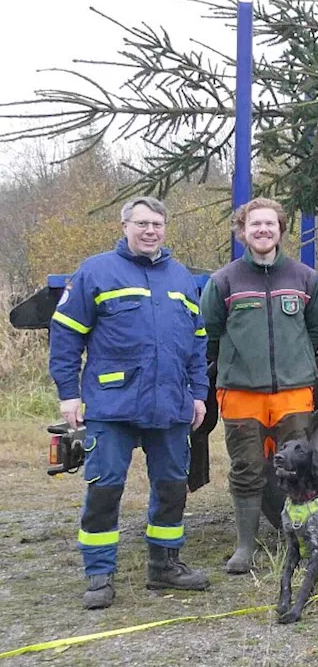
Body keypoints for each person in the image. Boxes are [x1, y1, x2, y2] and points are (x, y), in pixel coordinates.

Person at [49, 196, 212, 609]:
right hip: (112, 404)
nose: (150, 231)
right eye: (141, 223)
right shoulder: (95, 272)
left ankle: (164, 565)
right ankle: (100, 574)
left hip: (171, 404)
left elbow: (197, 344)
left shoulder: (181, 277)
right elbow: (65, 335)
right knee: (105, 488)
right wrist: (69, 394)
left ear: (165, 228)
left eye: (157, 224)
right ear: (125, 226)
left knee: (173, 486)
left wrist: (197, 394)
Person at [200, 197, 318, 574]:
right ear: (242, 231)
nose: (262, 230)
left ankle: (304, 539)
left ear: (280, 230)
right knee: (247, 467)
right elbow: (210, 330)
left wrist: (295, 358)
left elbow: (317, 326)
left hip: (293, 390)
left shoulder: (304, 277)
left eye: (270, 224)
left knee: (300, 469)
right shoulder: (224, 280)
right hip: (241, 391)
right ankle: (245, 546)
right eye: (255, 224)